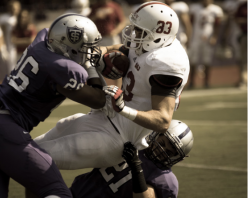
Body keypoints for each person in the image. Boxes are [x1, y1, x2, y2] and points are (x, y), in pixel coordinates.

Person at [34, 1, 190, 170]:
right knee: (28, 148)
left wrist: (123, 109)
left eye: (139, 30)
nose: (134, 33)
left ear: (158, 35)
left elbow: (162, 120)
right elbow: (118, 48)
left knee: (34, 157)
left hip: (118, 137)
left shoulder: (166, 62)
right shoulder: (151, 44)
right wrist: (95, 54)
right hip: (104, 117)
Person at [0, 14, 107, 198]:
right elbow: (99, 99)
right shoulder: (62, 69)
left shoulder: (41, 43)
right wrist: (91, 67)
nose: (88, 52)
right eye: (85, 48)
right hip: (5, 132)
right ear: (68, 47)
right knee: (57, 192)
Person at [70, 120, 194, 198]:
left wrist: (135, 165)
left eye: (170, 151)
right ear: (157, 134)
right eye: (162, 143)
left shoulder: (166, 180)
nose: (162, 150)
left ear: (177, 157)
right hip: (76, 191)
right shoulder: (135, 142)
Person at [89, 0, 126, 87]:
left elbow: (122, 21)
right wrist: (96, 16)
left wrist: (115, 31)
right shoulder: (96, 6)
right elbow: (88, 21)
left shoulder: (114, 6)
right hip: (98, 38)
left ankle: (119, 87)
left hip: (111, 38)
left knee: (117, 61)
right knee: (97, 61)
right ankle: (101, 86)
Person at [187, 0, 223, 89]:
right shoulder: (194, 8)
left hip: (208, 38)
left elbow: (217, 25)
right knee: (193, 60)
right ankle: (192, 82)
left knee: (207, 61)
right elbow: (190, 23)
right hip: (195, 38)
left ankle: (206, 82)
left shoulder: (216, 9)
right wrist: (189, 36)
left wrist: (214, 37)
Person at [0, 0, 21, 75]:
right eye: (12, 8)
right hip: (10, 46)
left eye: (15, 8)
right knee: (12, 69)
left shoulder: (22, 18)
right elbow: (1, 34)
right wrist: (3, 47)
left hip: (21, 46)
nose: (13, 10)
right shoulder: (4, 18)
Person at [234, 1, 247, 89]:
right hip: (245, 34)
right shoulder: (242, 6)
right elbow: (237, 19)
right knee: (244, 59)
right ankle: (244, 81)